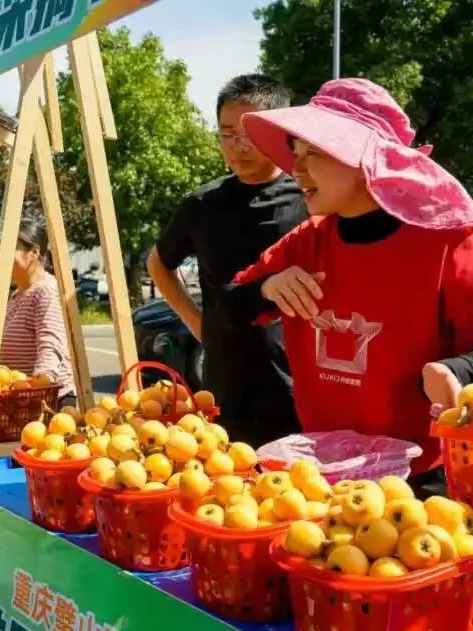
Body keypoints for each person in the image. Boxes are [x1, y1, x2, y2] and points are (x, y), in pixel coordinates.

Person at [221, 78, 473, 495]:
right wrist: (266, 289)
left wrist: (455, 370)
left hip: (419, 482)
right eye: (296, 153)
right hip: (321, 476)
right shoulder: (305, 242)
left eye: (313, 153)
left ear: (366, 159)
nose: (296, 169)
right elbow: (227, 307)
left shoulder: (447, 242)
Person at [147, 74, 308, 447]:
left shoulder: (308, 197)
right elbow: (159, 262)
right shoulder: (203, 204)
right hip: (225, 379)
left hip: (296, 381)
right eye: (227, 134)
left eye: (249, 134)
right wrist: (197, 322)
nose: (238, 147)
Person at [0, 217, 76, 407]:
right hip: (21, 400)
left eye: (10, 249)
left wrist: (39, 385)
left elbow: (51, 345)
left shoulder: (45, 291)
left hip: (47, 401)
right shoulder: (17, 294)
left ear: (34, 252)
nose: (1, 256)